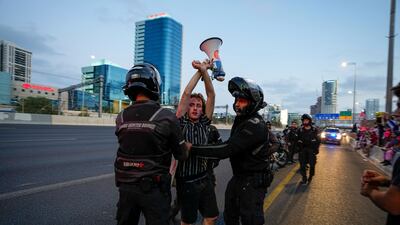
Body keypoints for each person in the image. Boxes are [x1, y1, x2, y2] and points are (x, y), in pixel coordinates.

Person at [114, 63, 190, 225]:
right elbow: (181, 154)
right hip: (154, 190)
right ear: (155, 85)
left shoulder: (120, 117)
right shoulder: (166, 117)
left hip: (126, 189)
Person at [189, 77, 271, 225]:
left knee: (251, 220)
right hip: (239, 179)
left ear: (253, 102)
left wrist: (192, 148)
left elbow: (227, 148)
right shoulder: (242, 120)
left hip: (252, 183)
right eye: (237, 100)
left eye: (242, 101)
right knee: (230, 216)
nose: (237, 104)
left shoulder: (255, 125)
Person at [174, 59, 219, 225]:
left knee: (211, 216)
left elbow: (211, 94)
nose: (194, 108)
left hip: (204, 178)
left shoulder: (205, 123)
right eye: (191, 105)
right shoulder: (180, 122)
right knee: (188, 220)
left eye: (198, 105)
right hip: (186, 181)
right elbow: (186, 93)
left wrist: (205, 71)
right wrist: (199, 70)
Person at [297, 114, 320, 184]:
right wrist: (299, 147)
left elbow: (318, 140)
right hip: (303, 150)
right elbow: (297, 140)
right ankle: (304, 178)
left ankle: (310, 176)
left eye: (306, 120)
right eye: (304, 121)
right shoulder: (300, 130)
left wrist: (316, 149)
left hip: (311, 150)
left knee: (312, 164)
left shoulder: (314, 130)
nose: (305, 122)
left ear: (309, 121)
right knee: (302, 165)